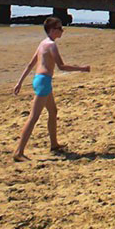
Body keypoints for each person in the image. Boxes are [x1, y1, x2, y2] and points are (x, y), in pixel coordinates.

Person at [11, 17, 88, 160]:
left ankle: (54, 144)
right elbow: (61, 66)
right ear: (52, 30)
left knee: (53, 111)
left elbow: (30, 65)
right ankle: (19, 151)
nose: (62, 30)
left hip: (40, 81)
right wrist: (82, 69)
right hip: (43, 82)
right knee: (33, 117)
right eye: (60, 28)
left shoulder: (42, 44)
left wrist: (20, 82)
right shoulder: (51, 45)